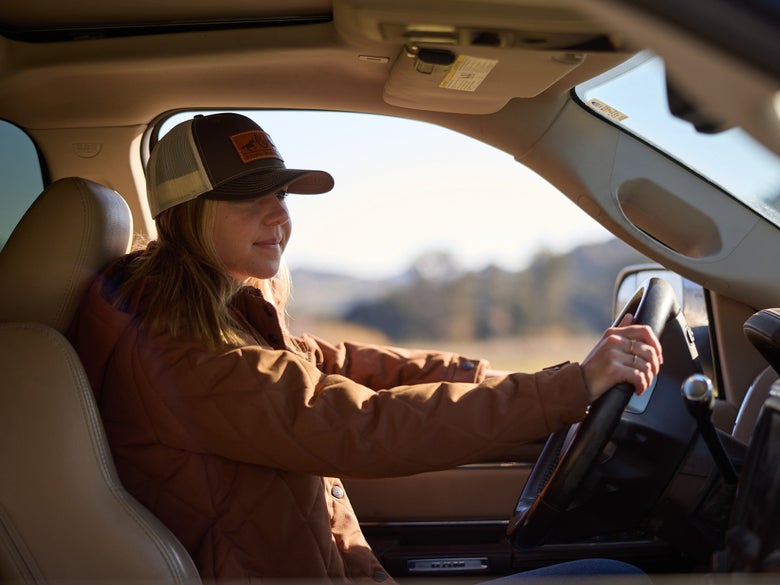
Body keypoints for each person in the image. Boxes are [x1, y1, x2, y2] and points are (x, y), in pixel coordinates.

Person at [68, 112, 663, 583]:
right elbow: (363, 425)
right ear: (188, 215)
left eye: (282, 195)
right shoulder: (181, 353)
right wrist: (566, 388)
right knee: (616, 576)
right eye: (252, 197)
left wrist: (499, 377)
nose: (279, 215)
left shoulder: (222, 315)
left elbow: (348, 366)